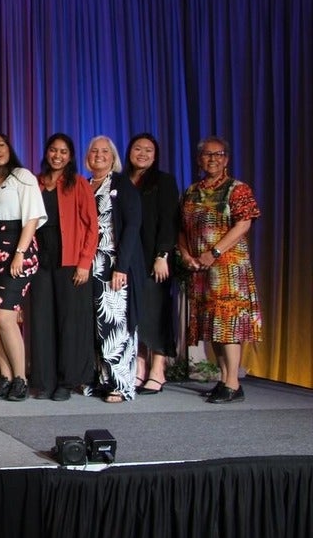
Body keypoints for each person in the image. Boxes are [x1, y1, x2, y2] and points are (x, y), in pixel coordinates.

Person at [179, 136, 262, 404]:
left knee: (228, 325)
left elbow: (243, 224)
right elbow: (182, 228)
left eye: (218, 154)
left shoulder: (237, 189)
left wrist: (213, 253)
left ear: (226, 159)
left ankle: (232, 381)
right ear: (199, 159)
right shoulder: (192, 191)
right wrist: (186, 255)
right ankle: (224, 379)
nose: (212, 159)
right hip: (201, 269)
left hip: (228, 267)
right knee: (212, 326)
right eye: (207, 154)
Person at [28, 134, 98, 401]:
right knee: (42, 320)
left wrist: (84, 263)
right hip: (40, 260)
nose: (58, 155)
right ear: (46, 152)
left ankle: (66, 382)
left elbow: (93, 227)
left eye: (64, 151)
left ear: (70, 156)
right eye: (53, 150)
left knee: (69, 323)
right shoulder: (35, 182)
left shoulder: (79, 184)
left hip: (70, 260)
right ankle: (44, 381)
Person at [0, 132, 46, 402]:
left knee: (7, 317)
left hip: (18, 248)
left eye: (1, 145)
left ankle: (21, 379)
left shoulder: (23, 176)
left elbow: (31, 218)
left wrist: (19, 253)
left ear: (10, 147)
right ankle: (4, 379)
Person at [84, 135, 144, 403]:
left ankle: (120, 384)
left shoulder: (122, 184)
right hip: (88, 265)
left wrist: (122, 266)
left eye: (104, 151)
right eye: (94, 151)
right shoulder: (84, 185)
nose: (99, 155)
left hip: (113, 264)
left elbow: (131, 227)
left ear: (113, 156)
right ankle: (99, 381)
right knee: (95, 325)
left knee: (115, 324)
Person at [125, 133, 179, 395]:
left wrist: (163, 255)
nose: (143, 154)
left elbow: (169, 222)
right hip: (128, 259)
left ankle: (158, 369)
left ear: (155, 155)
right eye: (138, 148)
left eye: (148, 150)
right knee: (136, 316)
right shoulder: (122, 181)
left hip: (154, 258)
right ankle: (139, 367)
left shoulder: (163, 181)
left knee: (156, 314)